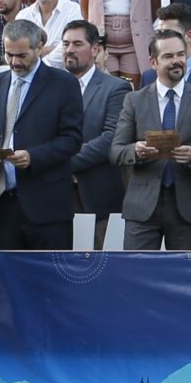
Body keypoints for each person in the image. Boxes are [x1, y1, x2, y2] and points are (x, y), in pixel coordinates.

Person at [107, 30, 191, 250]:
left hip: (188, 207)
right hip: (142, 207)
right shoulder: (134, 101)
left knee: (184, 278)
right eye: (168, 56)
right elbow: (116, 151)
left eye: (181, 54)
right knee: (138, 275)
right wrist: (136, 150)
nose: (177, 61)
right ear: (153, 62)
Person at [0, 19, 84, 250]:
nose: (14, 62)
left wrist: (33, 156)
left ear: (39, 48)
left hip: (47, 205)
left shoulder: (64, 84)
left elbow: (72, 140)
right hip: (4, 204)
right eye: (9, 55)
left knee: (51, 281)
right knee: (12, 280)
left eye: (22, 55)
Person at [59, 21, 129, 250]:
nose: (70, 49)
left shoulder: (116, 88)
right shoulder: (50, 87)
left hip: (97, 196)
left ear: (95, 49)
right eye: (66, 43)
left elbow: (110, 139)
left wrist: (59, 162)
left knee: (99, 269)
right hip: (56, 197)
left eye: (78, 44)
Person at [14, 0, 75, 68]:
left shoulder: (74, 11)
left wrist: (36, 59)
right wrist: (53, 48)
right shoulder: (23, 17)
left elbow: (70, 49)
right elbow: (18, 51)